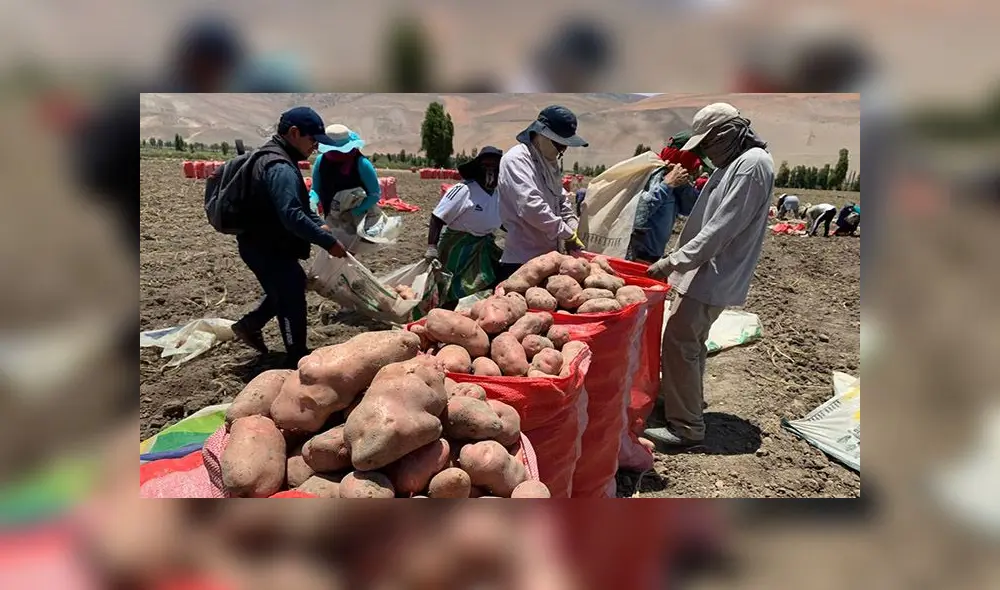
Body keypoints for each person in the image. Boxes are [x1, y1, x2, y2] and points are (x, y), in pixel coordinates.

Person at [643, 103, 775, 447]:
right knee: (688, 343)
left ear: (727, 134)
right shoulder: (734, 163)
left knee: (680, 342)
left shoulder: (751, 166)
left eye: (707, 143)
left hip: (713, 272)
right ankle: (679, 402)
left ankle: (685, 427)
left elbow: (721, 229)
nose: (704, 151)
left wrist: (673, 261)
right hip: (703, 270)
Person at [231, 107, 347, 366]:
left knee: (287, 286)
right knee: (291, 296)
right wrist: (327, 242)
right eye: (313, 140)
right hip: (266, 247)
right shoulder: (280, 166)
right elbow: (291, 214)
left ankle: (250, 325)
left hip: (262, 244)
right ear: (294, 133)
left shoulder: (273, 157)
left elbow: (300, 208)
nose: (315, 147)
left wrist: (319, 225)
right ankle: (296, 356)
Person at [497, 105, 589, 280]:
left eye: (566, 145)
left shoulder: (550, 163)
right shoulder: (517, 160)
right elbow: (531, 207)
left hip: (551, 259)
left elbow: (561, 199)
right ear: (541, 134)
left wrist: (573, 225)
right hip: (522, 261)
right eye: (559, 144)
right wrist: (567, 233)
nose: (563, 150)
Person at [425, 147, 505, 304]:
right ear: (477, 168)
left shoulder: (498, 195)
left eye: (495, 167)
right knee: (451, 286)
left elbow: (503, 222)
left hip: (483, 246)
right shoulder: (463, 190)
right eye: (485, 166)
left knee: (491, 279)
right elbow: (437, 217)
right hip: (458, 247)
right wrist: (432, 246)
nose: (490, 171)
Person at [309, 125, 381, 224]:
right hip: (331, 217)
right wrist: (312, 201)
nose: (335, 153)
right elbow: (315, 189)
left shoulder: (362, 164)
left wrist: (355, 212)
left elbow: (374, 194)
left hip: (361, 220)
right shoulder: (320, 161)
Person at [627, 163, 692, 264]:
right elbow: (639, 214)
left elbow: (689, 208)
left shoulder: (675, 186)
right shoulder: (651, 178)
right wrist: (666, 185)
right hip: (637, 254)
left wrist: (684, 186)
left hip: (654, 256)